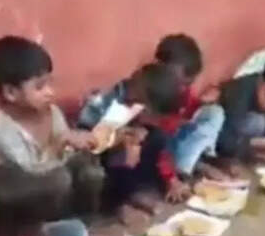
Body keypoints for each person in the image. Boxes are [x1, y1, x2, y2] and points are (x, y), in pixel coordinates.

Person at [0, 36, 96, 236]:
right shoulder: (0, 128)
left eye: (49, 83)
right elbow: (30, 172)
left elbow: (65, 152)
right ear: (10, 93)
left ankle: (83, 229)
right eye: (39, 87)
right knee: (59, 178)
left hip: (56, 184)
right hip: (24, 196)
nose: (50, 92)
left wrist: (80, 142)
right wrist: (60, 142)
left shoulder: (51, 112)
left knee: (90, 170)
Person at [77, 62, 187, 222]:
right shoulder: (107, 100)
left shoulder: (137, 103)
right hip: (94, 154)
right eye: (150, 112)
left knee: (157, 138)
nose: (152, 118)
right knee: (126, 151)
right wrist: (119, 139)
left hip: (119, 140)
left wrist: (172, 178)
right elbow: (87, 138)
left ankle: (133, 193)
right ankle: (116, 205)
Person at [153, 34, 229, 181]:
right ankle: (182, 173)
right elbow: (157, 132)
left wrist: (202, 104)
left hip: (178, 144)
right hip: (160, 150)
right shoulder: (151, 89)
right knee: (160, 138)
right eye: (180, 83)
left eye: (187, 84)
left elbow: (190, 111)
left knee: (214, 113)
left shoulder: (184, 91)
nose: (183, 89)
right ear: (161, 67)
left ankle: (191, 165)